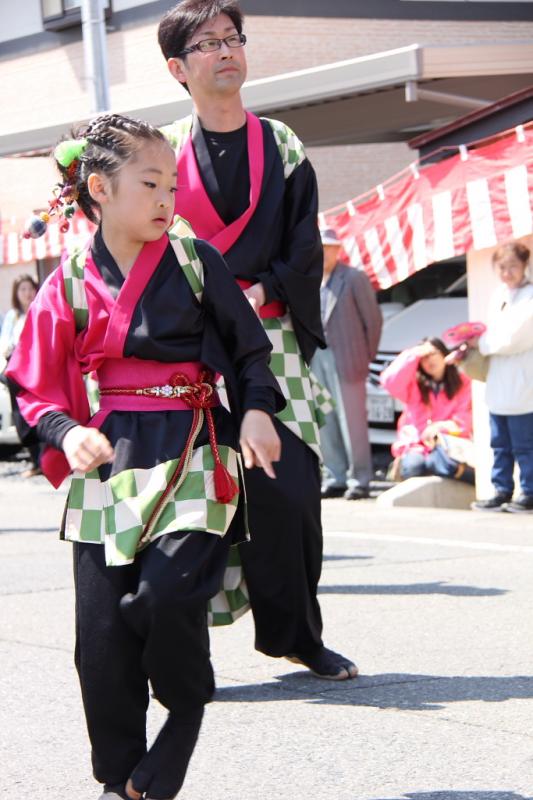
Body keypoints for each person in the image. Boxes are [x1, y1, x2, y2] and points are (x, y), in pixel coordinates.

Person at [6, 113, 284, 800]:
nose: (167, 200)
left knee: (166, 597)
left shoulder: (195, 261)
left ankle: (184, 716)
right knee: (100, 638)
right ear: (100, 189)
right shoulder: (70, 278)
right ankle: (116, 778)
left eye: (172, 186)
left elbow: (250, 350)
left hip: (195, 445)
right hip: (108, 455)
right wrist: (65, 431)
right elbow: (30, 382)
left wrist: (255, 408)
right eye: (150, 184)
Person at [157, 0, 357, 681]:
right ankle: (183, 655)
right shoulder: (161, 151)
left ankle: (295, 635)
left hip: (271, 337)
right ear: (177, 68)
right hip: (187, 346)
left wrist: (259, 289)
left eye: (232, 38)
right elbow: (144, 245)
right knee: (190, 502)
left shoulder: (282, 144)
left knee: (290, 493)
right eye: (207, 44)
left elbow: (305, 246)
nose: (225, 52)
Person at [311, 228, 382, 500]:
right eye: (320, 248)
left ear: (338, 250)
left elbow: (372, 320)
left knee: (352, 422)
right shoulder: (311, 279)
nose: (324, 253)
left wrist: (366, 356)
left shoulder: (353, 278)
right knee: (326, 421)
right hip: (317, 358)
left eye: (329, 248)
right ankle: (335, 476)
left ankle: (359, 479)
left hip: (348, 358)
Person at [470, 241, 533, 513]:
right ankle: (501, 489)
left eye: (513, 266)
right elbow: (491, 331)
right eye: (502, 267)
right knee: (500, 443)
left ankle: (529, 491)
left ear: (525, 266)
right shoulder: (499, 295)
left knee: (525, 445)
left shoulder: (530, 297)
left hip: (522, 381)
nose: (507, 273)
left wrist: (482, 343)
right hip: (498, 380)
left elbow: (513, 338)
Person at [380, 337, 474, 483]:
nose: (429, 360)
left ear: (444, 354)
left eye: (432, 353)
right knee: (414, 467)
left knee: (438, 463)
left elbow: (465, 419)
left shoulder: (463, 383)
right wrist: (413, 354)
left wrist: (440, 427)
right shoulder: (413, 385)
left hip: (447, 444)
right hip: (416, 445)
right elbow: (388, 381)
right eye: (423, 357)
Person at [0, 273, 41, 477]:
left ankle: (46, 461)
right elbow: (5, 342)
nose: (27, 293)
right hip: (16, 370)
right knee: (21, 418)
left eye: (30, 288)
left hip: (37, 368)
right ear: (16, 293)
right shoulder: (13, 316)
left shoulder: (41, 309)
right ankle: (36, 461)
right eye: (22, 289)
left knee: (39, 414)